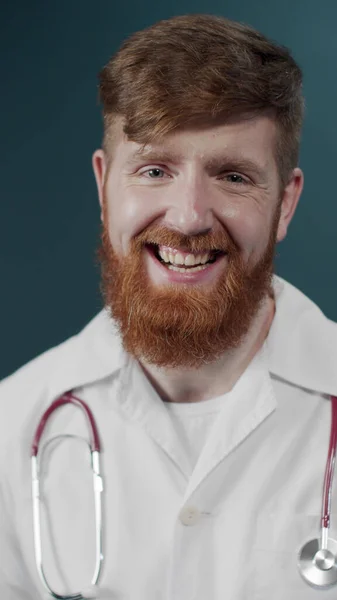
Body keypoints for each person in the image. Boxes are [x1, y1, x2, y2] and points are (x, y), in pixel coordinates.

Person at [0, 12, 336, 600]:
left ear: (285, 204)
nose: (188, 217)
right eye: (155, 170)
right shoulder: (12, 425)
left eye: (233, 176)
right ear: (105, 188)